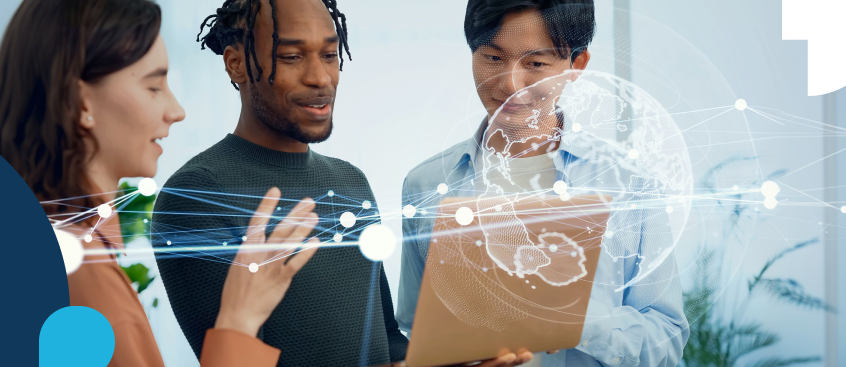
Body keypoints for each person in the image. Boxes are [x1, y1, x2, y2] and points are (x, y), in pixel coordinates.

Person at [0, 0, 320, 366]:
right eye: (154, 87)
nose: (176, 111)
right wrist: (239, 319)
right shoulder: (82, 280)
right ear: (81, 100)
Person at [397, 1, 690, 367]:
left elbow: (667, 339)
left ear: (576, 65)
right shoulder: (427, 183)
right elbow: (414, 326)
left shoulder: (630, 183)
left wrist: (575, 319)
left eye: (535, 64)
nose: (510, 84)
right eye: (492, 58)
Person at [150, 0, 407, 365]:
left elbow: (386, 341)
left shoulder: (351, 181)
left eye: (329, 55)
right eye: (291, 57)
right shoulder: (197, 195)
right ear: (236, 64)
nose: (320, 78)